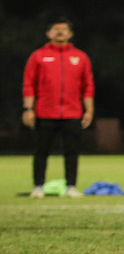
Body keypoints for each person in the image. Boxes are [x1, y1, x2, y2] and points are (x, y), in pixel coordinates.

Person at [22, 18, 94, 199]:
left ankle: (71, 186)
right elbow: (29, 84)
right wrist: (28, 109)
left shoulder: (80, 57)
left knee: (72, 152)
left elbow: (88, 86)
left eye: (64, 29)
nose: (60, 32)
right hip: (45, 112)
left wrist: (89, 110)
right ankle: (38, 186)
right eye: (56, 29)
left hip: (72, 112)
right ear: (49, 33)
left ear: (70, 34)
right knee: (41, 151)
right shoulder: (38, 56)